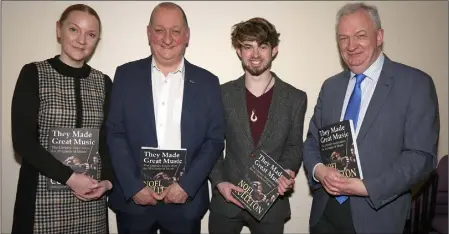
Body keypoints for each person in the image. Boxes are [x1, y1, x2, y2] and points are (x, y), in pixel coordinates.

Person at [303, 2, 439, 233]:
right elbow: (312, 142)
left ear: (379, 36)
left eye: (360, 35)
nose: (351, 45)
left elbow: (421, 157)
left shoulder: (415, 84)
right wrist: (319, 170)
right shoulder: (331, 87)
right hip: (325, 214)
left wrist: (367, 187)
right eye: (343, 38)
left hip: (378, 217)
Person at [105, 2, 224, 234]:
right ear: (149, 33)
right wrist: (133, 186)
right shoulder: (125, 75)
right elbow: (114, 133)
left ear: (187, 35)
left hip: (185, 202)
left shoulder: (208, 82)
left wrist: (187, 186)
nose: (167, 39)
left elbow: (215, 139)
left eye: (176, 31)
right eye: (159, 30)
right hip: (135, 201)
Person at [10, 4, 114, 234]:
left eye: (91, 34)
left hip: (91, 199)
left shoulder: (103, 82)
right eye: (74, 30)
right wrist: (69, 177)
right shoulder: (33, 73)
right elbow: (23, 141)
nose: (81, 40)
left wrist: (107, 181)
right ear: (59, 30)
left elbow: (107, 141)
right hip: (42, 199)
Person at [208, 17, 307, 234]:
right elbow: (212, 144)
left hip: (271, 203)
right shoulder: (222, 94)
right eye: (248, 47)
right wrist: (219, 182)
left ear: (274, 50)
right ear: (238, 50)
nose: (255, 55)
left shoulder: (295, 98)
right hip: (227, 200)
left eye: (262, 46)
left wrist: (287, 172)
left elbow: (294, 146)